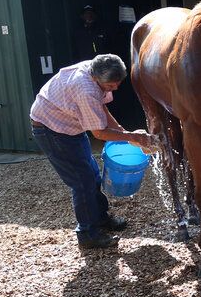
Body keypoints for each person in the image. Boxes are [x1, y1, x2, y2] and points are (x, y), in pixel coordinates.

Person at [30, 54, 157, 250]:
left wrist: (123, 131)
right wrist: (133, 137)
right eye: (111, 86)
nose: (115, 88)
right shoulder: (86, 90)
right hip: (51, 128)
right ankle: (87, 234)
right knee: (82, 181)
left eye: (117, 84)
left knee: (92, 174)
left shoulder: (95, 68)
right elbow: (99, 133)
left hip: (69, 124)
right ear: (97, 78)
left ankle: (100, 218)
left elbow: (101, 108)